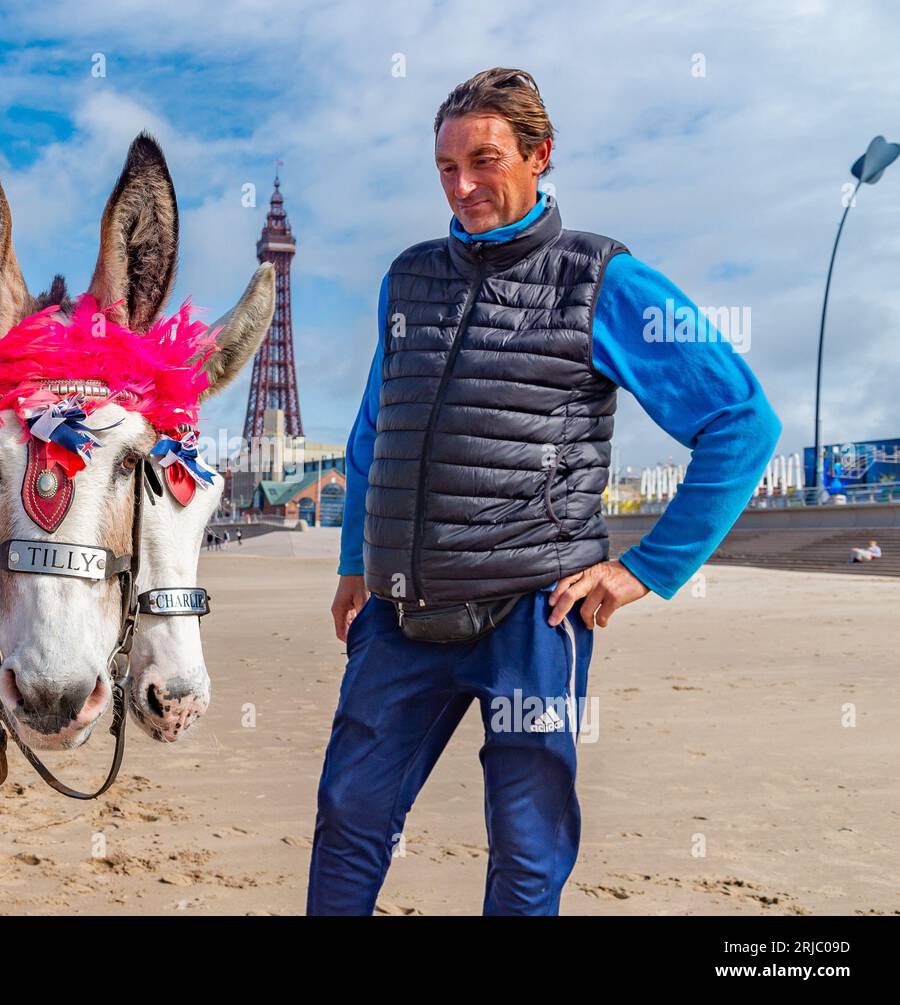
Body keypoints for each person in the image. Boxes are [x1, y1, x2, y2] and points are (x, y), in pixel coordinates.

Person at [311, 67, 781, 916]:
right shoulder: (407, 277)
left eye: (483, 160)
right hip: (401, 609)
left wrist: (644, 569)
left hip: (532, 615)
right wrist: (355, 558)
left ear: (539, 155)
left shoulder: (601, 278)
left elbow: (742, 419)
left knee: (526, 848)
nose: (462, 187)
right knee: (349, 815)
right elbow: (374, 427)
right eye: (446, 167)